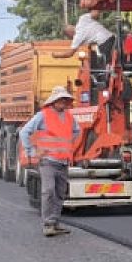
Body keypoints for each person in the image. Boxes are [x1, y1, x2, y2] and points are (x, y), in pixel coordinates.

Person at [18, 86, 81, 237]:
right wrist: (31, 151)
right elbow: (24, 132)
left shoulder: (69, 117)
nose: (64, 103)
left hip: (63, 162)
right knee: (49, 191)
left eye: (66, 100)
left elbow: (77, 131)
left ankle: (55, 223)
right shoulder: (42, 115)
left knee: (60, 193)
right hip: (48, 161)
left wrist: (67, 145)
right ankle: (48, 224)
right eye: (61, 100)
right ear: (54, 101)